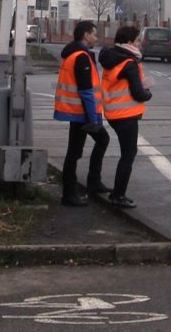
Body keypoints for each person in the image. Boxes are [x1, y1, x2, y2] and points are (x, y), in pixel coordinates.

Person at [54, 20, 111, 207]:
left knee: (79, 149)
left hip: (77, 112)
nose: (96, 37)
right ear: (86, 35)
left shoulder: (73, 53)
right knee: (79, 150)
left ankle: (86, 185)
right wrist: (94, 119)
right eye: (94, 34)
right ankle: (72, 193)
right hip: (82, 113)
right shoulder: (81, 57)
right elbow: (86, 91)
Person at [98, 25, 153, 209]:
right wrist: (148, 94)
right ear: (130, 42)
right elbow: (138, 93)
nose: (138, 44)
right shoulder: (129, 63)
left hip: (113, 113)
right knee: (128, 155)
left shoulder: (112, 58)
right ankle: (118, 195)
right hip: (126, 115)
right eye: (137, 40)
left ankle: (117, 193)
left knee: (126, 154)